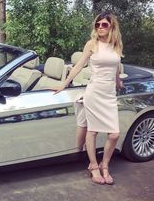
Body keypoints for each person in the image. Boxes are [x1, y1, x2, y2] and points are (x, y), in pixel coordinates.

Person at [53, 11, 124, 185]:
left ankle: (105, 165)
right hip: (94, 92)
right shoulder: (92, 44)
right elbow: (78, 66)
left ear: (111, 26)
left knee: (114, 134)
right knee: (92, 131)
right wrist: (64, 84)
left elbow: (115, 68)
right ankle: (93, 165)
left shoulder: (116, 45)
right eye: (97, 24)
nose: (100, 27)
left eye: (104, 24)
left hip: (109, 94)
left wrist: (118, 83)